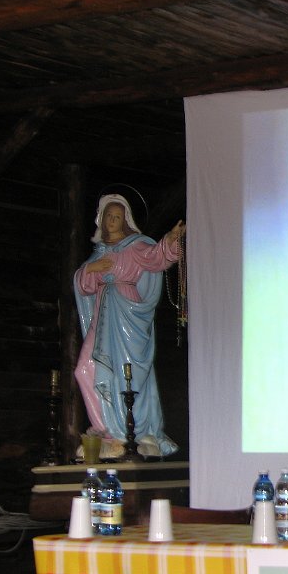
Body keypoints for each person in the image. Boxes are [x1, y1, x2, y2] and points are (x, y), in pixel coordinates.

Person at [74, 193, 186, 458]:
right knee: (84, 369)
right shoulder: (99, 253)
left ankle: (132, 431)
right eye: (108, 216)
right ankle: (105, 430)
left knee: (129, 373)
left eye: (117, 216)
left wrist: (169, 241)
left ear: (125, 220)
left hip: (127, 312)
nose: (112, 221)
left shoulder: (134, 246)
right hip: (103, 314)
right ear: (101, 220)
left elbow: (156, 258)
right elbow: (82, 284)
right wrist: (90, 270)